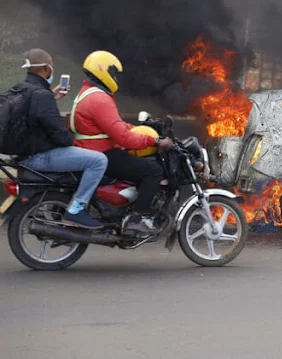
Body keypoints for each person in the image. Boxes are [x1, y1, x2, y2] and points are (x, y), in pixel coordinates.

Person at [70, 50, 174, 236]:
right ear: (102, 71)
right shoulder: (100, 99)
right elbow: (124, 139)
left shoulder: (87, 93)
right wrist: (155, 140)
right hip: (103, 154)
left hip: (91, 151)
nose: (115, 77)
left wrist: (132, 127)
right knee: (153, 170)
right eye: (113, 73)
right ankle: (137, 217)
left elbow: (113, 125)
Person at [16, 48, 108, 229]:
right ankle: (76, 209)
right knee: (98, 160)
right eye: (51, 67)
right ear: (45, 69)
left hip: (24, 153)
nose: (52, 71)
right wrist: (71, 135)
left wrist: (52, 96)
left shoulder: (23, 89)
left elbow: (34, 115)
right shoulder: (42, 96)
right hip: (39, 156)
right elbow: (62, 138)